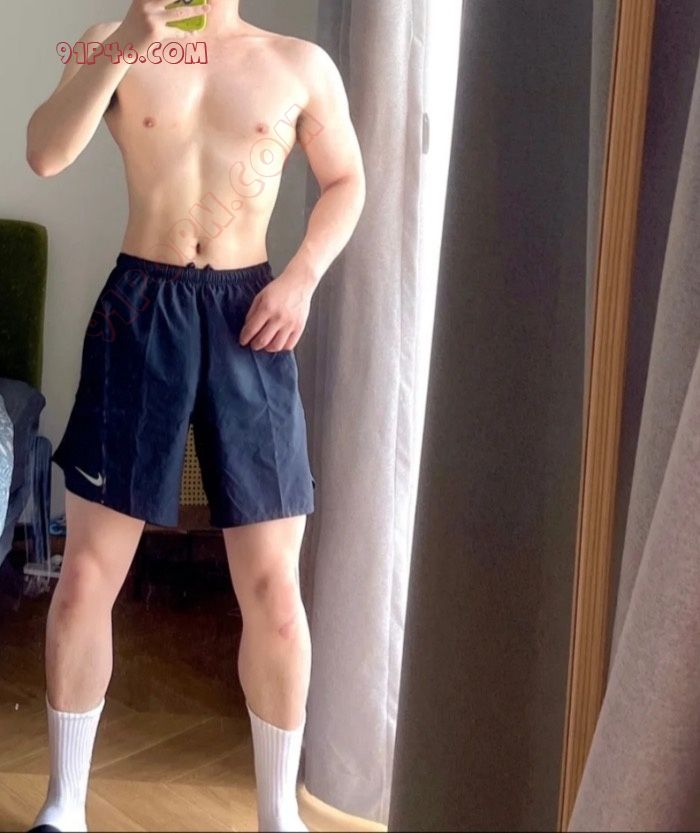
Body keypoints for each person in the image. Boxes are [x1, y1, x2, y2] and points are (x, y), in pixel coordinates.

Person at [25, 1, 365, 831]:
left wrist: (303, 277)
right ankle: (64, 804)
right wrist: (132, 38)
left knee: (274, 588)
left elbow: (346, 179)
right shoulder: (111, 44)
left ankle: (279, 813)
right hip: (141, 307)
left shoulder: (298, 63)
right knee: (86, 577)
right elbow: (45, 154)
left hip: (253, 316)